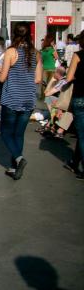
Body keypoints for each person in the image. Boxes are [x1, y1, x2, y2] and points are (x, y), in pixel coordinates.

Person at [0, 22, 42, 180]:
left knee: (5, 132)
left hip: (11, 99)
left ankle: (19, 159)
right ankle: (14, 168)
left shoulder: (11, 52)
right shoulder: (35, 53)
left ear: (14, 34)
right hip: (28, 99)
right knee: (19, 134)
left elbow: (2, 78)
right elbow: (38, 79)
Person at [64, 30, 84, 179]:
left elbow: (69, 77)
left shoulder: (78, 55)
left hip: (80, 97)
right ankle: (74, 161)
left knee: (82, 134)